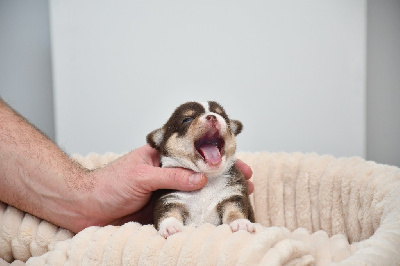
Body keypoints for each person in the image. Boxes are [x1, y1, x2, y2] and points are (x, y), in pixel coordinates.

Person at [0, 98, 253, 233]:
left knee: (234, 204)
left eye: (218, 114)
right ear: (162, 141)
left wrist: (236, 219)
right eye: (188, 120)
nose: (210, 118)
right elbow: (168, 211)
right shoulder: (165, 182)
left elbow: (235, 206)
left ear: (231, 133)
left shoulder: (231, 179)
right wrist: (169, 222)